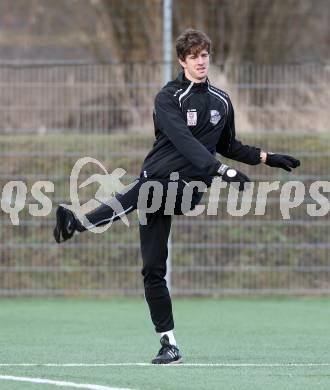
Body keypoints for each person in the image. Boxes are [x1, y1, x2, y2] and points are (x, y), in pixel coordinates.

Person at [53, 29, 300, 364]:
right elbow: (183, 139)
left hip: (188, 187)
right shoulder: (168, 98)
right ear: (182, 60)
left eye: (204, 55)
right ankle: (168, 344)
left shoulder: (221, 101)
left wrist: (267, 158)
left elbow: (228, 145)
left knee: (144, 191)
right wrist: (223, 171)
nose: (201, 61)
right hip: (155, 182)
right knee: (153, 269)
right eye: (194, 56)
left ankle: (78, 223)